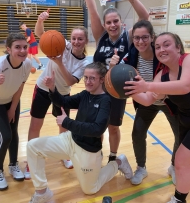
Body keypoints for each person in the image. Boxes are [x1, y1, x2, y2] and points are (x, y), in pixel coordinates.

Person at [124, 32, 190, 203]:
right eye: (157, 47)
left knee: (181, 160)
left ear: (178, 47)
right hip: (188, 122)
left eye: (166, 44)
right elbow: (147, 100)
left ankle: (179, 199)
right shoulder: (162, 75)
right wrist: (129, 90)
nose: (161, 49)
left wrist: (147, 84)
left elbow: (185, 85)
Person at [27, 62, 133, 203]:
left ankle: (118, 163)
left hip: (88, 150)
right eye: (86, 77)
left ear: (102, 80)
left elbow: (97, 130)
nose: (87, 82)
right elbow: (63, 101)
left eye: (92, 78)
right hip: (70, 140)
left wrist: (67, 122)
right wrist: (52, 88)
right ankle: (42, 193)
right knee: (33, 146)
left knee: (90, 189)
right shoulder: (85, 94)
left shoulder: (105, 101)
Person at [77, 0, 149, 163]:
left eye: (115, 21)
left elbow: (145, 17)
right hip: (98, 90)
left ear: (121, 22)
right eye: (108, 22)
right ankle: (96, 153)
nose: (112, 25)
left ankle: (112, 157)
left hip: (117, 91)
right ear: (104, 24)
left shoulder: (129, 36)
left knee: (113, 127)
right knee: (96, 126)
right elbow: (93, 10)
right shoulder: (100, 36)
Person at [110, 20, 180, 185]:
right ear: (133, 39)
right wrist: (112, 67)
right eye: (137, 38)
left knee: (180, 136)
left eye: (145, 37)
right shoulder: (132, 54)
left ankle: (174, 167)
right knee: (138, 134)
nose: (140, 41)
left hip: (170, 101)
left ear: (152, 37)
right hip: (147, 102)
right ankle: (141, 168)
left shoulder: (161, 55)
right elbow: (118, 73)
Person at [24, 10, 90, 179]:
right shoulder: (63, 44)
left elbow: (69, 82)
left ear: (85, 41)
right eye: (74, 38)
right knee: (35, 126)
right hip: (43, 89)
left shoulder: (83, 63)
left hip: (62, 94)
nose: (75, 41)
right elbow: (40, 34)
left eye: (80, 39)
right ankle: (31, 161)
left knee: (63, 126)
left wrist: (59, 62)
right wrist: (40, 20)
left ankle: (64, 154)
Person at [0, 33, 32, 190]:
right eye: (17, 47)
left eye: (25, 47)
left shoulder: (27, 64)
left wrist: (13, 108)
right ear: (8, 49)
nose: (22, 50)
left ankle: (13, 165)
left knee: (14, 133)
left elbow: (20, 85)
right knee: (5, 136)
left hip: (11, 101)